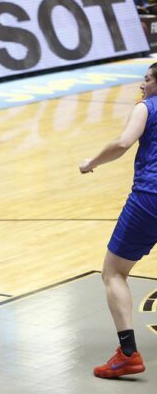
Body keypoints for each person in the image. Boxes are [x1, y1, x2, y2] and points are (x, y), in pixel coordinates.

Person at [78, 64, 157, 378]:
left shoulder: (146, 107)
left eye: (148, 78)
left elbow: (123, 143)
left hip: (150, 197)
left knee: (113, 272)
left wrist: (91, 162)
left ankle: (128, 354)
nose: (142, 83)